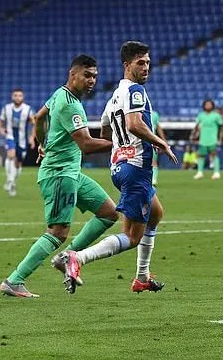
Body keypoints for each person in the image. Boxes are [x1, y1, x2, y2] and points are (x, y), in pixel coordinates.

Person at [54, 41, 178, 294]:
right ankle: (78, 258)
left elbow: (105, 129)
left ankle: (142, 276)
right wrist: (160, 142)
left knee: (155, 214)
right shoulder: (135, 92)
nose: (146, 68)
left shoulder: (113, 98)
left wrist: (120, 148)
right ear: (127, 65)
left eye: (148, 63)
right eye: (140, 63)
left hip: (120, 168)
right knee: (132, 237)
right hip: (136, 170)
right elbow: (133, 124)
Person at [0, 54, 119, 298]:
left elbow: (39, 117)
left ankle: (68, 258)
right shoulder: (71, 105)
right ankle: (14, 280)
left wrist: (41, 143)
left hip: (72, 172)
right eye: (87, 76)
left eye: (95, 76)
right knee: (57, 232)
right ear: (72, 75)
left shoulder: (59, 94)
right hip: (59, 174)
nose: (92, 81)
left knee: (109, 213)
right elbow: (86, 144)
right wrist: (120, 142)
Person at [0, 88, 35, 196]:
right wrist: (1, 130)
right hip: (10, 137)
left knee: (18, 164)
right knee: (11, 154)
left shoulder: (28, 109)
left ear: (22, 97)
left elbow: (34, 124)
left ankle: (12, 182)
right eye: (15, 95)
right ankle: (9, 179)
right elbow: (1, 121)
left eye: (20, 96)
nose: (17, 97)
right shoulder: (6, 108)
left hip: (22, 140)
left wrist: (32, 137)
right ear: (12, 97)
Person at [191, 99, 223, 180]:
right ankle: (200, 172)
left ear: (212, 105)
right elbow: (196, 126)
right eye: (206, 104)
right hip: (203, 139)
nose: (208, 106)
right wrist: (193, 135)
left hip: (212, 139)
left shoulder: (216, 116)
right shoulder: (201, 115)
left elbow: (222, 127)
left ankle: (216, 172)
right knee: (201, 156)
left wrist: (220, 138)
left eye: (209, 104)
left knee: (213, 155)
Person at [150, 109, 167, 186]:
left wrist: (163, 140)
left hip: (151, 141)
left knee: (154, 161)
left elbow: (158, 127)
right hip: (139, 141)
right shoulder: (137, 113)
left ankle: (153, 180)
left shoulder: (154, 114)